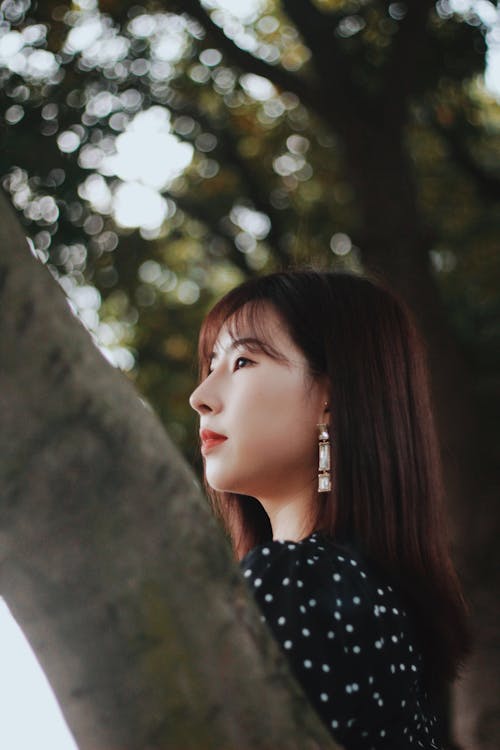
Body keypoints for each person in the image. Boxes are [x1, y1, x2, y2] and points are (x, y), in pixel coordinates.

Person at [189, 269, 471, 749]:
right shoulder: (373, 595)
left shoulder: (295, 584)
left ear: (330, 399)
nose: (201, 398)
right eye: (211, 364)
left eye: (242, 362)